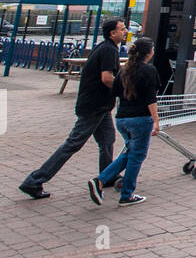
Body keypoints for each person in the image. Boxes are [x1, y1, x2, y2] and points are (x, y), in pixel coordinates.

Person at [19, 18, 125, 200]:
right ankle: (34, 180)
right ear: (112, 33)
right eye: (122, 29)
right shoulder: (108, 50)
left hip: (101, 105)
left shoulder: (106, 48)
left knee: (108, 140)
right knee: (73, 143)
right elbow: (107, 78)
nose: (126, 31)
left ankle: (107, 176)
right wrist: (125, 90)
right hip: (94, 105)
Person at [89, 37, 160, 207]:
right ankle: (127, 194)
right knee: (137, 156)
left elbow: (114, 91)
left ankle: (100, 181)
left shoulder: (123, 70)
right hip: (140, 119)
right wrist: (156, 121)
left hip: (122, 119)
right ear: (148, 52)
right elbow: (151, 99)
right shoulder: (149, 71)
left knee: (130, 153)